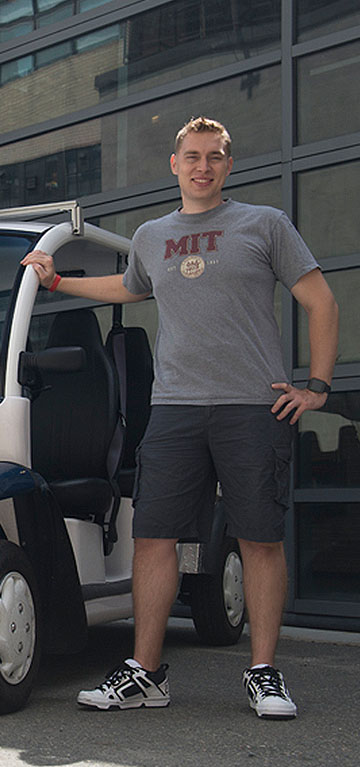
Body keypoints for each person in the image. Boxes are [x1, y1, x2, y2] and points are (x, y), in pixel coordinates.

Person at [21, 116, 339, 719]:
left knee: (260, 541)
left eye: (213, 156)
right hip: (174, 409)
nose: (202, 165)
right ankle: (145, 673)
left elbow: (320, 299)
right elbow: (129, 287)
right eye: (191, 155)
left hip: (252, 405)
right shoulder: (150, 235)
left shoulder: (265, 225)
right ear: (175, 164)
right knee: (153, 538)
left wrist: (317, 388)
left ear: (227, 164)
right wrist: (57, 280)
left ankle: (264, 672)